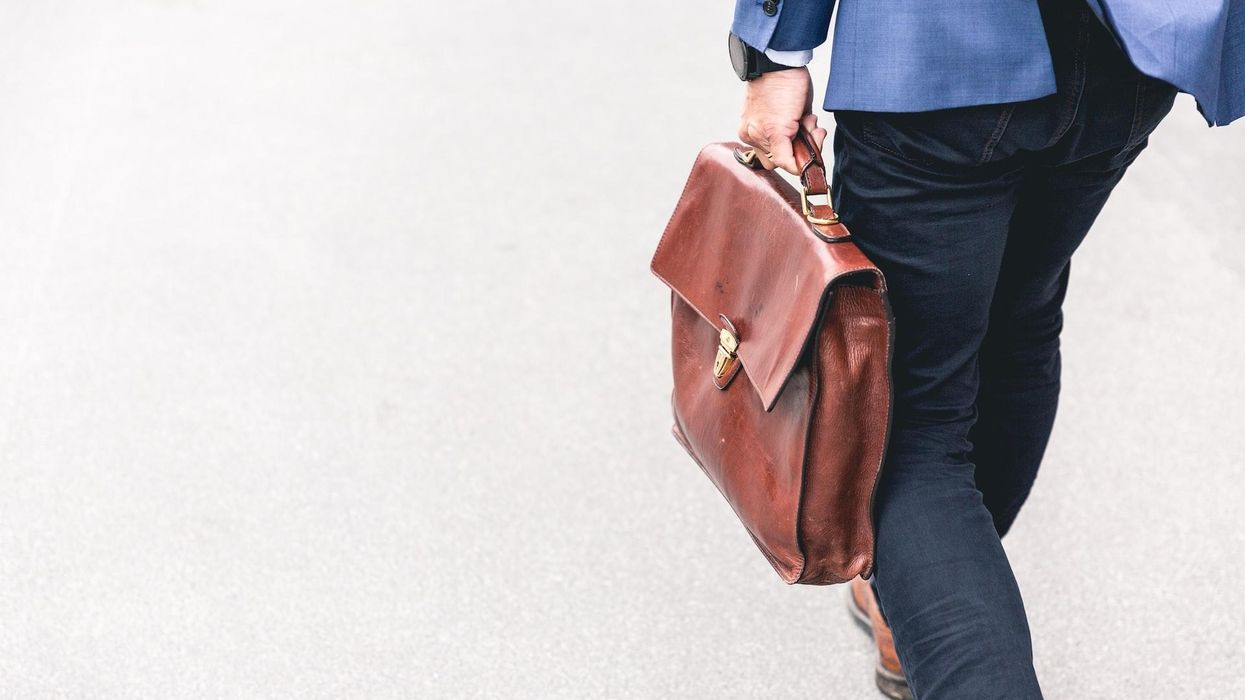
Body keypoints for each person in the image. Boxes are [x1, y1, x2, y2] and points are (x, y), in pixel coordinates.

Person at [727, 0, 1243, 697]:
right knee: (1018, 321)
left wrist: (773, 48)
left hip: (939, 53)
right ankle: (919, 592)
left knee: (906, 421)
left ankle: (928, 593)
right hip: (1127, 59)